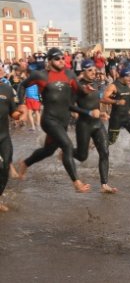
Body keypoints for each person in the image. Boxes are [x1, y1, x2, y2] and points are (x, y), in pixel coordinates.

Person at [13, 48, 92, 193]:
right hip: (49, 119)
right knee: (67, 145)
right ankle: (77, 183)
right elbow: (22, 85)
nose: (61, 61)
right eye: (57, 59)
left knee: (48, 151)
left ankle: (25, 163)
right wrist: (21, 104)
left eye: (62, 58)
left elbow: (79, 91)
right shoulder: (40, 75)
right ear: (49, 61)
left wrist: (86, 89)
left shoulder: (69, 74)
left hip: (63, 120)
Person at [72, 60, 117, 193]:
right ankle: (67, 152)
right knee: (82, 156)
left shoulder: (96, 84)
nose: (93, 73)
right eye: (89, 70)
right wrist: (88, 113)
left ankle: (104, 184)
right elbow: (71, 106)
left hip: (97, 123)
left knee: (105, 152)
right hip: (84, 124)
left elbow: (96, 101)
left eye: (94, 70)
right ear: (83, 72)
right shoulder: (78, 87)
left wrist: (102, 112)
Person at [0, 79, 23, 212]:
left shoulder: (7, 89)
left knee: (5, 168)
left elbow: (13, 113)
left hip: (4, 137)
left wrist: (19, 113)